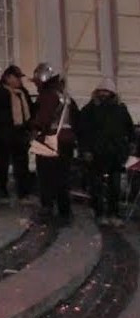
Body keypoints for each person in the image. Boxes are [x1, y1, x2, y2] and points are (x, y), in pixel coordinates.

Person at [76, 78, 133, 227]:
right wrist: (86, 150)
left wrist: (129, 146)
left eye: (106, 91)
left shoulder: (120, 109)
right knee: (96, 185)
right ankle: (99, 212)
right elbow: (83, 132)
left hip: (115, 154)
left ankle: (113, 213)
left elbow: (129, 129)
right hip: (96, 153)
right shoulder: (89, 110)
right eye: (102, 91)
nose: (104, 94)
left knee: (115, 186)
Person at [29, 63, 78, 225]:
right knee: (62, 176)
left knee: (46, 176)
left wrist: (33, 128)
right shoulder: (65, 95)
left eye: (36, 81)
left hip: (50, 140)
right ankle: (65, 210)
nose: (36, 85)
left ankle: (47, 207)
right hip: (67, 140)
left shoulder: (49, 95)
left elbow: (43, 118)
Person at [0, 65, 34, 203]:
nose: (19, 81)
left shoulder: (22, 93)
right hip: (1, 136)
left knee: (21, 165)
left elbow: (30, 111)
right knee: (0, 165)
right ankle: (1, 191)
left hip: (20, 133)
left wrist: (29, 128)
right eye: (17, 77)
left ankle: (23, 192)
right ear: (8, 77)